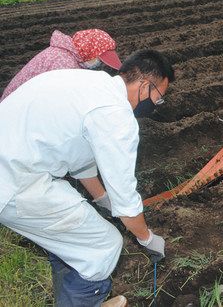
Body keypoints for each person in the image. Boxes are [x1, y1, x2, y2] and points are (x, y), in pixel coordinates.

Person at [0, 49, 174, 307]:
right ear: (145, 85)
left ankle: (70, 291)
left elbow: (79, 159)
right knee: (103, 246)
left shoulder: (89, 83)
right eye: (158, 98)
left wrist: (102, 199)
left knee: (73, 236)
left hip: (17, 166)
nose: (156, 105)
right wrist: (147, 238)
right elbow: (126, 198)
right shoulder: (116, 116)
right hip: (15, 181)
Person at [1, 28, 122, 101]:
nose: (99, 63)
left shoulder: (64, 53)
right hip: (16, 109)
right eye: (99, 59)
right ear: (89, 51)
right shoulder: (65, 65)